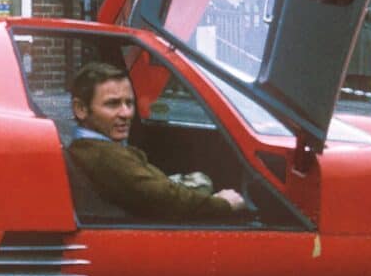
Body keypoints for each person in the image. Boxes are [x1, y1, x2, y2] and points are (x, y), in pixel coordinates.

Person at [66, 61, 247, 220]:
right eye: (112, 104)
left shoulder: (94, 148)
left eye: (129, 103)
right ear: (81, 109)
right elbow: (165, 198)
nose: (126, 113)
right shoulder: (104, 155)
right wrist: (223, 204)